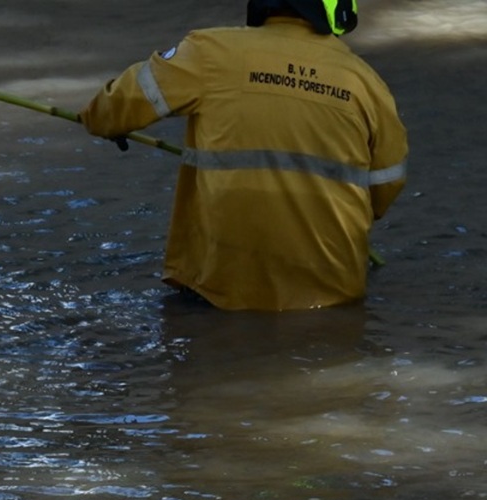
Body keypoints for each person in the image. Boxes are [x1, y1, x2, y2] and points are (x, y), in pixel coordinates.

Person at [80, 0, 407, 311]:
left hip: (223, 286)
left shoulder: (211, 52)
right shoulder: (366, 83)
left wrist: (99, 120)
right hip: (333, 289)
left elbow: (116, 107)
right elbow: (386, 185)